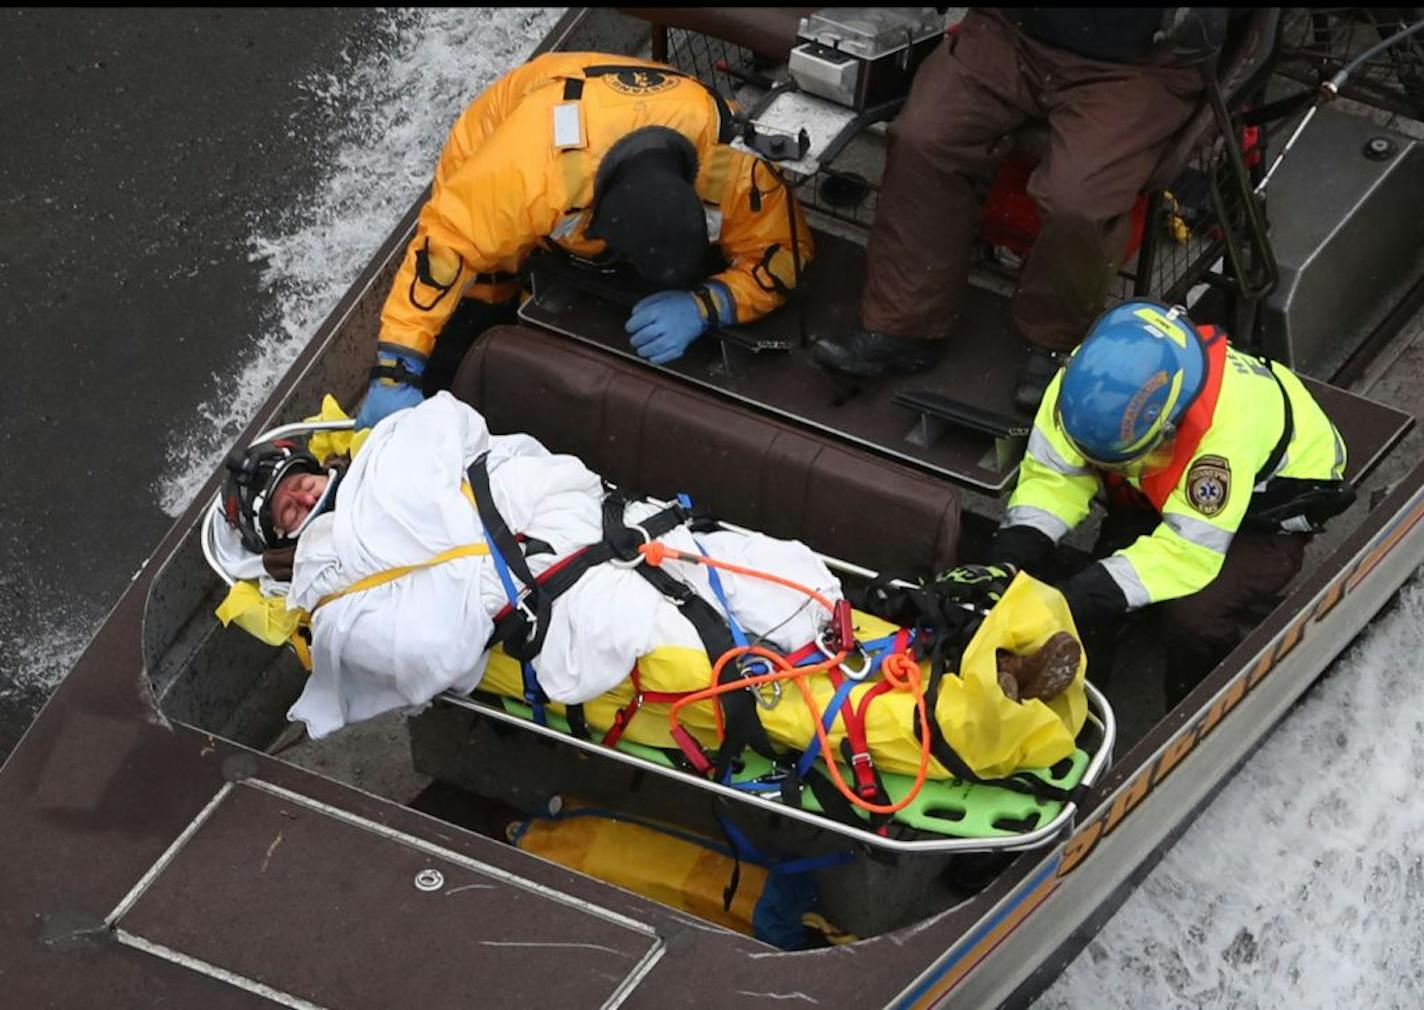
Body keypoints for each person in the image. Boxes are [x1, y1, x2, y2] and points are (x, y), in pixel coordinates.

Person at [355, 51, 814, 430]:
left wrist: (707, 304)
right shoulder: (528, 171)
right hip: (503, 142)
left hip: (619, 126)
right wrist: (396, 370)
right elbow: (446, 246)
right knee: (477, 299)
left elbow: (783, 256)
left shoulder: (731, 160)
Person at [812, 9, 1228, 411]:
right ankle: (902, 327)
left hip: (1138, 63)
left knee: (1076, 200)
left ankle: (1054, 344)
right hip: (1011, 32)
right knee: (924, 139)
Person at [987, 299, 1355, 706]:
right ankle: (1076, 709)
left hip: (1266, 510)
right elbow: (1055, 474)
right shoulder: (1085, 386)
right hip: (1169, 486)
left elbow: (1189, 551)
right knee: (1098, 593)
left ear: (1165, 428)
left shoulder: (1224, 435)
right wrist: (1013, 553)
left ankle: (1205, 705)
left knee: (1194, 618)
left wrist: (1087, 594)